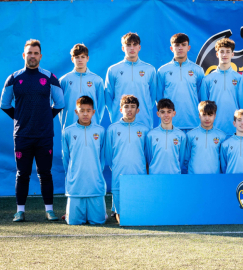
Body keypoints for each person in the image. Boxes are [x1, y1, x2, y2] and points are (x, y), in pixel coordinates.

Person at [1, 39, 64, 222]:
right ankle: (20, 211)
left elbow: (60, 103)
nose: (33, 56)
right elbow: (4, 104)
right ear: (24, 55)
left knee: (45, 173)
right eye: (29, 53)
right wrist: (20, 118)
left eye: (36, 53)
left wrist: (45, 118)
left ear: (40, 56)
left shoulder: (50, 77)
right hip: (22, 135)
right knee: (23, 174)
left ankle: (49, 210)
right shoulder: (14, 78)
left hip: (44, 135)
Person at [62, 96, 107, 225]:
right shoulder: (68, 131)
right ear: (76, 112)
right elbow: (66, 157)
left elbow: (103, 157)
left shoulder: (100, 131)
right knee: (73, 222)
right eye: (82, 110)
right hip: (75, 185)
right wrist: (71, 174)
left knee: (99, 222)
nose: (85, 113)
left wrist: (97, 172)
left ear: (93, 112)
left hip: (95, 184)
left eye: (88, 110)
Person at [105, 95, 150, 222]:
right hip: (119, 172)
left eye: (133, 107)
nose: (129, 110)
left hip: (138, 173)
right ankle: (118, 213)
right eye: (126, 107)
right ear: (120, 110)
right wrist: (115, 166)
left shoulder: (144, 129)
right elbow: (109, 154)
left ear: (138, 110)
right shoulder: (113, 129)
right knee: (123, 217)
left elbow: (147, 153)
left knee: (138, 212)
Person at [105, 32, 157, 129]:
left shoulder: (149, 70)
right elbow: (108, 97)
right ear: (123, 48)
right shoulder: (113, 70)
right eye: (128, 45)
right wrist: (115, 114)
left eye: (135, 44)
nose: (132, 48)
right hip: (120, 121)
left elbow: (152, 97)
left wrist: (146, 111)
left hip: (144, 121)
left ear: (139, 47)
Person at [157, 33, 205, 133]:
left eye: (183, 45)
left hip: (193, 123)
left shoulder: (198, 70)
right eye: (177, 45)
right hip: (170, 124)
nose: (180, 48)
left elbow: (202, 99)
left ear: (188, 47)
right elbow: (159, 99)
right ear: (171, 48)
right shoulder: (162, 71)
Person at [200, 38, 242, 137]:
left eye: (228, 52)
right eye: (221, 51)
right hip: (213, 129)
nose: (224, 55)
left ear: (232, 54)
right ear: (217, 54)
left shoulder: (240, 79)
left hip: (234, 128)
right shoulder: (207, 79)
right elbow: (203, 106)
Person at [59, 43, 105, 130]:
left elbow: (101, 105)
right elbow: (59, 105)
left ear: (87, 58)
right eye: (77, 57)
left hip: (92, 128)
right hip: (70, 127)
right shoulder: (64, 80)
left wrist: (95, 121)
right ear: (72, 59)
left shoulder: (97, 80)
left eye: (83, 57)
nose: (80, 60)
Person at [184, 101, 226, 174]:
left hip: (214, 178)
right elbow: (186, 159)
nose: (207, 118)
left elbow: (223, 162)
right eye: (204, 115)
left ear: (215, 116)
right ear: (199, 116)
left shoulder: (221, 136)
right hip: (194, 178)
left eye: (210, 115)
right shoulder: (190, 135)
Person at [146, 98, 186, 174]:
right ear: (158, 114)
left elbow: (181, 159)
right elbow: (149, 158)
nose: (166, 115)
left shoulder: (181, 136)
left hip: (174, 176)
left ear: (174, 113)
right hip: (155, 176)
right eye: (163, 112)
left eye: (169, 112)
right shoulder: (151, 135)